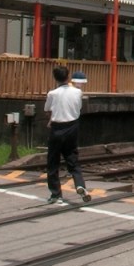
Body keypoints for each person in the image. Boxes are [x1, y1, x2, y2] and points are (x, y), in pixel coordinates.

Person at [44, 64, 92, 205]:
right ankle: (80, 185)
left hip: (57, 128)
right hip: (72, 127)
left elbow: (47, 110)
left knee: (53, 162)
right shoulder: (77, 93)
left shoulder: (52, 93)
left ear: (55, 78)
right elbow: (79, 108)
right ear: (68, 76)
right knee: (73, 160)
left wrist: (51, 120)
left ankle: (55, 194)